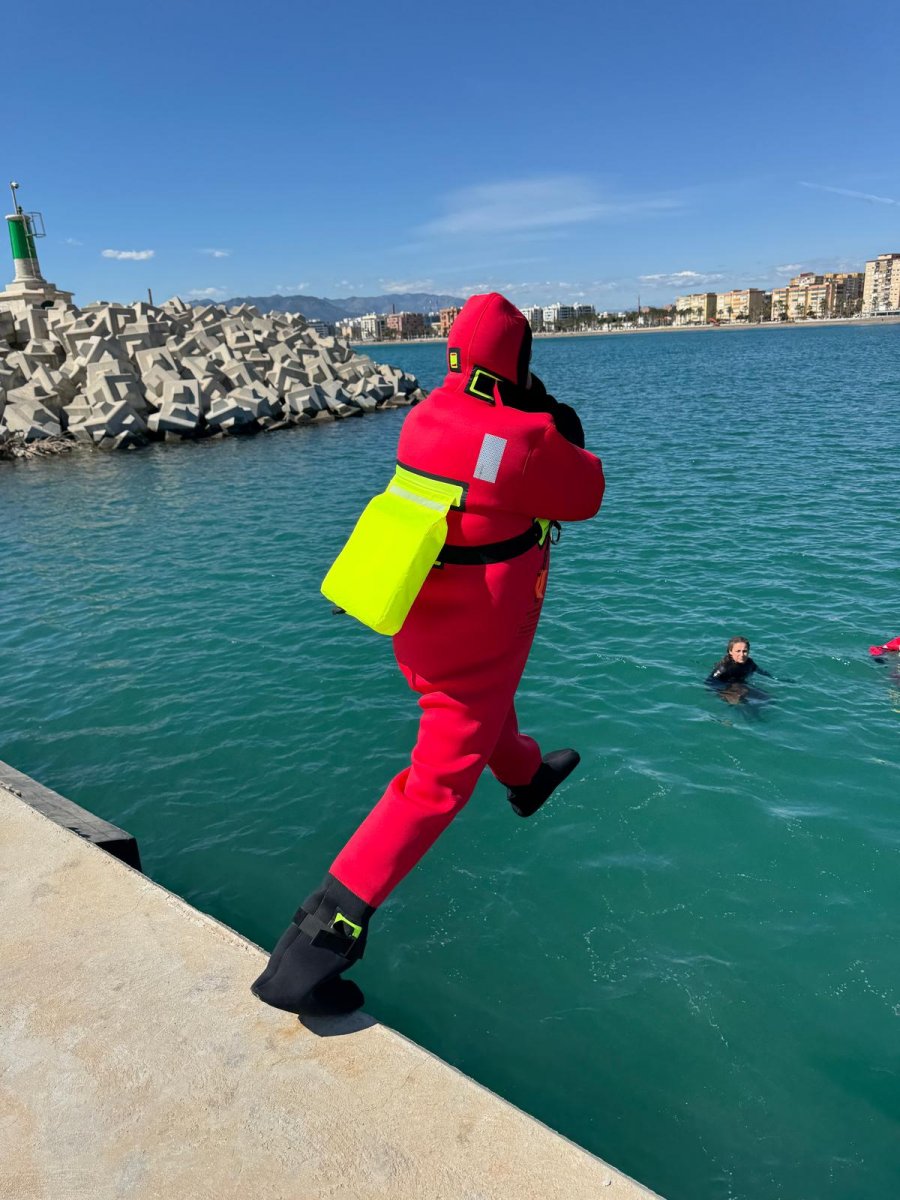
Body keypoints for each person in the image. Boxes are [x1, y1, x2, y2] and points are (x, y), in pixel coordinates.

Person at [251, 292, 606, 1016]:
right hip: (481, 630)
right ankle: (315, 947)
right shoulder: (526, 438)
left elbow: (478, 470)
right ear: (519, 362)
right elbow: (586, 491)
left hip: (422, 618)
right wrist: (555, 420)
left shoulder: (423, 415)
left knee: (480, 709)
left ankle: (526, 774)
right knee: (434, 784)